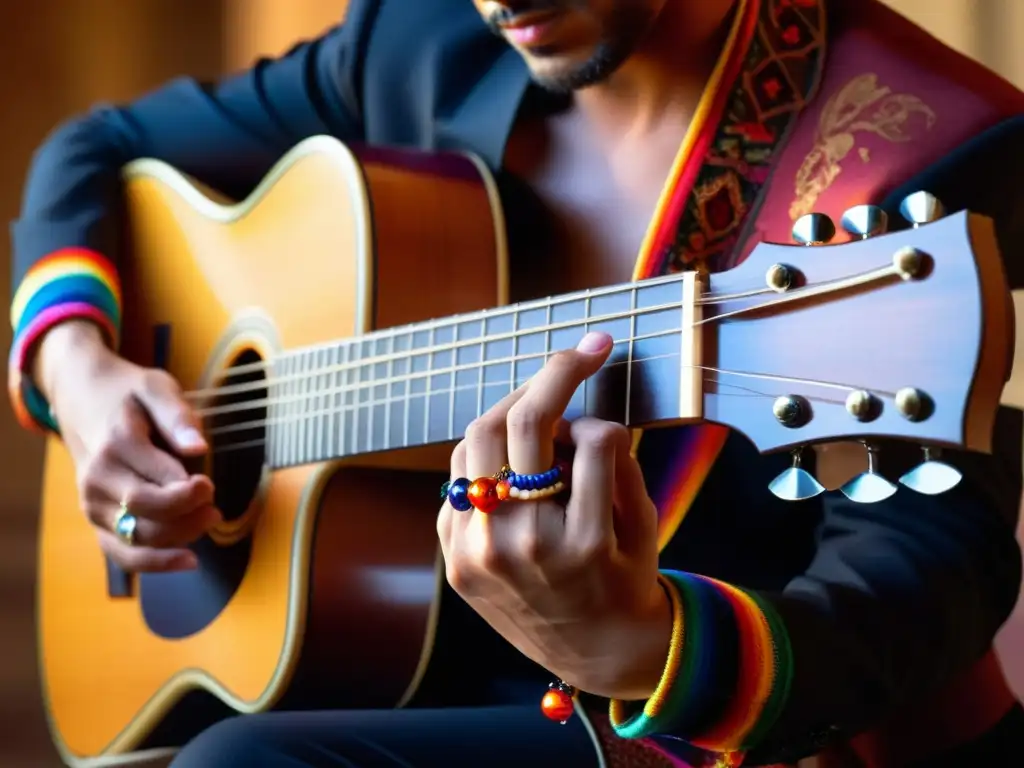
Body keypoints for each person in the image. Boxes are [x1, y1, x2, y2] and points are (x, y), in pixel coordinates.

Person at [9, 0, 1024, 765]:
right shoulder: (421, 39)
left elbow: (919, 589)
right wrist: (79, 369)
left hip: (715, 730)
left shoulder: (922, 139)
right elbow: (93, 148)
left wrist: (650, 646)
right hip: (424, 661)